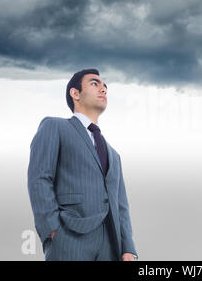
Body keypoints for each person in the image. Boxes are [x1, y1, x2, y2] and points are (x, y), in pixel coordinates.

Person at [27, 68, 138, 261]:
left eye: (105, 87)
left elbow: (121, 205)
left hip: (111, 247)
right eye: (95, 84)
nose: (103, 89)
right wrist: (52, 230)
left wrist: (127, 247)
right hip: (70, 237)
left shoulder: (114, 155)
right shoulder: (55, 126)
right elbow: (39, 178)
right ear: (75, 93)